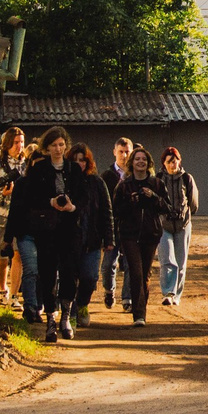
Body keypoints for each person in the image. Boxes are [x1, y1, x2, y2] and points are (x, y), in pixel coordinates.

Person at [8, 128, 84, 340]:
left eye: (61, 145)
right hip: (46, 230)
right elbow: (29, 198)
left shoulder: (74, 170)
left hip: (69, 229)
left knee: (69, 274)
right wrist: (49, 202)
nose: (58, 149)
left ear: (65, 146)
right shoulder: (39, 169)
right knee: (48, 274)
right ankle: (51, 319)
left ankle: (66, 317)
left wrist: (72, 207)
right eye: (54, 145)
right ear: (47, 147)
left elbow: (82, 199)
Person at [113, 147, 171, 327]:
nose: (140, 162)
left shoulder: (157, 184)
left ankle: (141, 308)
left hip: (150, 234)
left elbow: (167, 208)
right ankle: (139, 315)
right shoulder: (124, 185)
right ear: (132, 162)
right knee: (136, 272)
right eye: (137, 159)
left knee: (145, 274)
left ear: (148, 163)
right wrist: (130, 202)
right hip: (129, 235)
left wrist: (153, 197)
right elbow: (116, 211)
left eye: (143, 159)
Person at [66, 142, 117, 333]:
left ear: (88, 162)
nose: (79, 163)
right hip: (70, 240)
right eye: (75, 160)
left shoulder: (97, 183)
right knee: (69, 278)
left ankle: (82, 305)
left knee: (89, 277)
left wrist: (109, 239)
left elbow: (107, 211)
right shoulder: (65, 182)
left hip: (92, 240)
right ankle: (69, 313)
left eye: (82, 160)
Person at [0, 125, 29, 307]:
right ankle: (3, 291)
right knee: (2, 258)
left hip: (21, 218)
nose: (19, 146)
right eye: (16, 142)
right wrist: (2, 194)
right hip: (0, 217)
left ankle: (13, 295)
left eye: (21, 142)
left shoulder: (27, 164)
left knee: (18, 256)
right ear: (7, 144)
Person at [157, 147, 199, 307]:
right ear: (164, 164)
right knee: (167, 259)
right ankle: (168, 292)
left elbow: (194, 203)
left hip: (183, 225)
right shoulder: (159, 179)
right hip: (163, 225)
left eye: (174, 161)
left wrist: (184, 216)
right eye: (169, 162)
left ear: (179, 161)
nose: (172, 164)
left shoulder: (187, 179)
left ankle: (177, 295)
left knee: (181, 262)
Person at [98, 136, 135, 308]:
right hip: (112, 227)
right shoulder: (106, 176)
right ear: (114, 152)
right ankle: (109, 290)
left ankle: (127, 298)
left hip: (130, 227)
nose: (124, 155)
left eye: (127, 151)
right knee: (108, 265)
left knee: (129, 264)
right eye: (121, 152)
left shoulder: (136, 175)